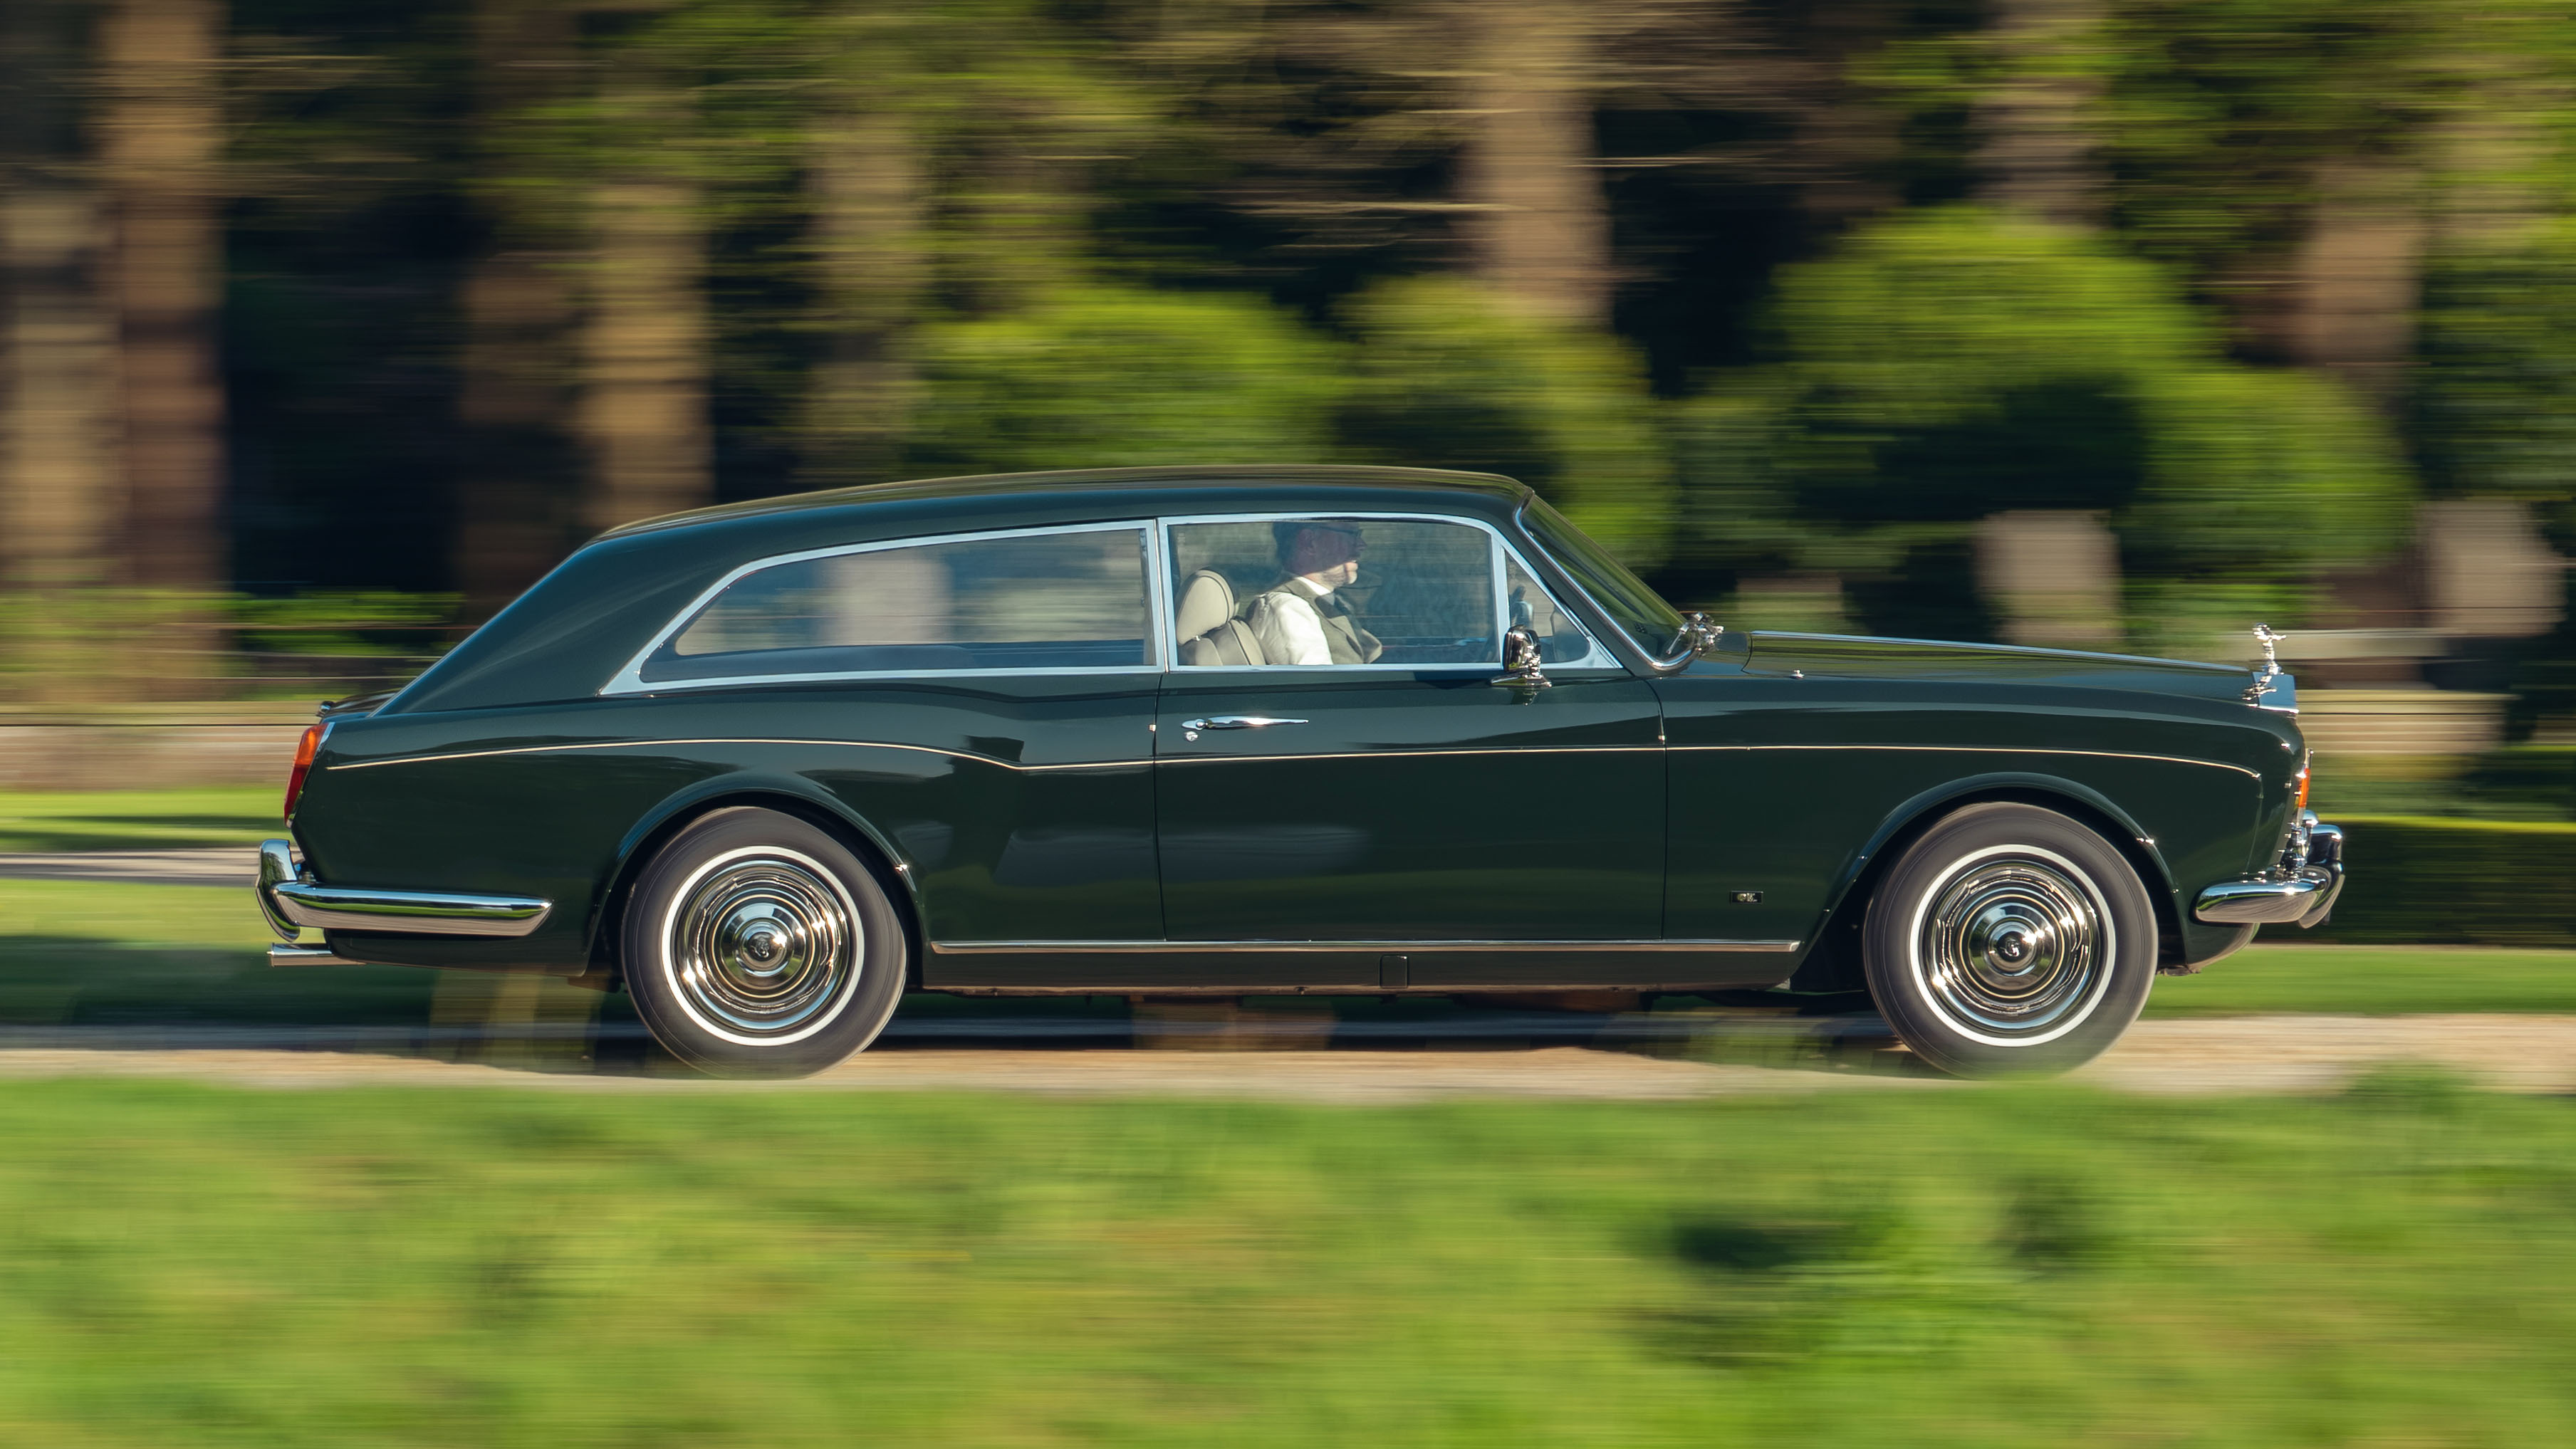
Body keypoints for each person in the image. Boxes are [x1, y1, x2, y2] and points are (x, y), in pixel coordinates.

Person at [1246, 521, 1384, 666]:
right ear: (1309, 542)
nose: (1362, 545)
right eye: (1352, 534)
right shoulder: (1287, 608)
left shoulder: (1333, 601)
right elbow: (1316, 678)